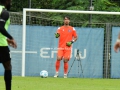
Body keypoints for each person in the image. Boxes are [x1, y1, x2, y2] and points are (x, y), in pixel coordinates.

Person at [0, 0, 17, 90]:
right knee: (8, 67)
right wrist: (11, 38)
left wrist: (6, 40)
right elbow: (0, 27)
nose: (11, 2)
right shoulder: (4, 12)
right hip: (1, 46)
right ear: (6, 1)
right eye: (10, 1)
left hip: (2, 41)